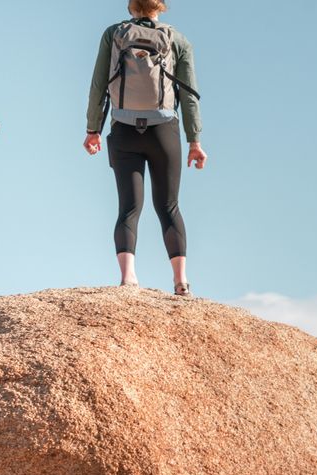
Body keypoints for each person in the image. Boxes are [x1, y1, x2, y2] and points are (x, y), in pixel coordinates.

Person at [83, 0, 207, 296]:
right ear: (160, 6)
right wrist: (195, 141)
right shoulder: (177, 40)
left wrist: (92, 129)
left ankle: (128, 278)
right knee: (169, 206)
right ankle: (181, 282)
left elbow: (98, 85)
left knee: (128, 208)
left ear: (131, 5)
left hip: (124, 129)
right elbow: (188, 96)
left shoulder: (114, 33)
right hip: (163, 131)